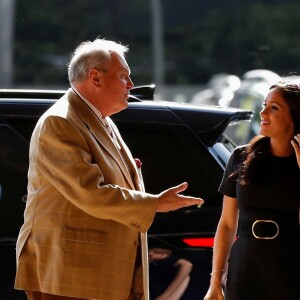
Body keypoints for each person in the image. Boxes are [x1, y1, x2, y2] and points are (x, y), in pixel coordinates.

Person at [14, 38, 204, 300]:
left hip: (94, 271)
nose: (131, 85)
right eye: (123, 76)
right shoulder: (60, 122)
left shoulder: (98, 118)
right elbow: (90, 192)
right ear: (95, 77)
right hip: (69, 273)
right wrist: (154, 203)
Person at [203, 78, 300, 300]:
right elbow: (227, 224)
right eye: (264, 104)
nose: (263, 112)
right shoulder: (241, 157)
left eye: (273, 108)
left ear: (295, 117)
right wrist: (215, 282)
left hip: (292, 268)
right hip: (245, 266)